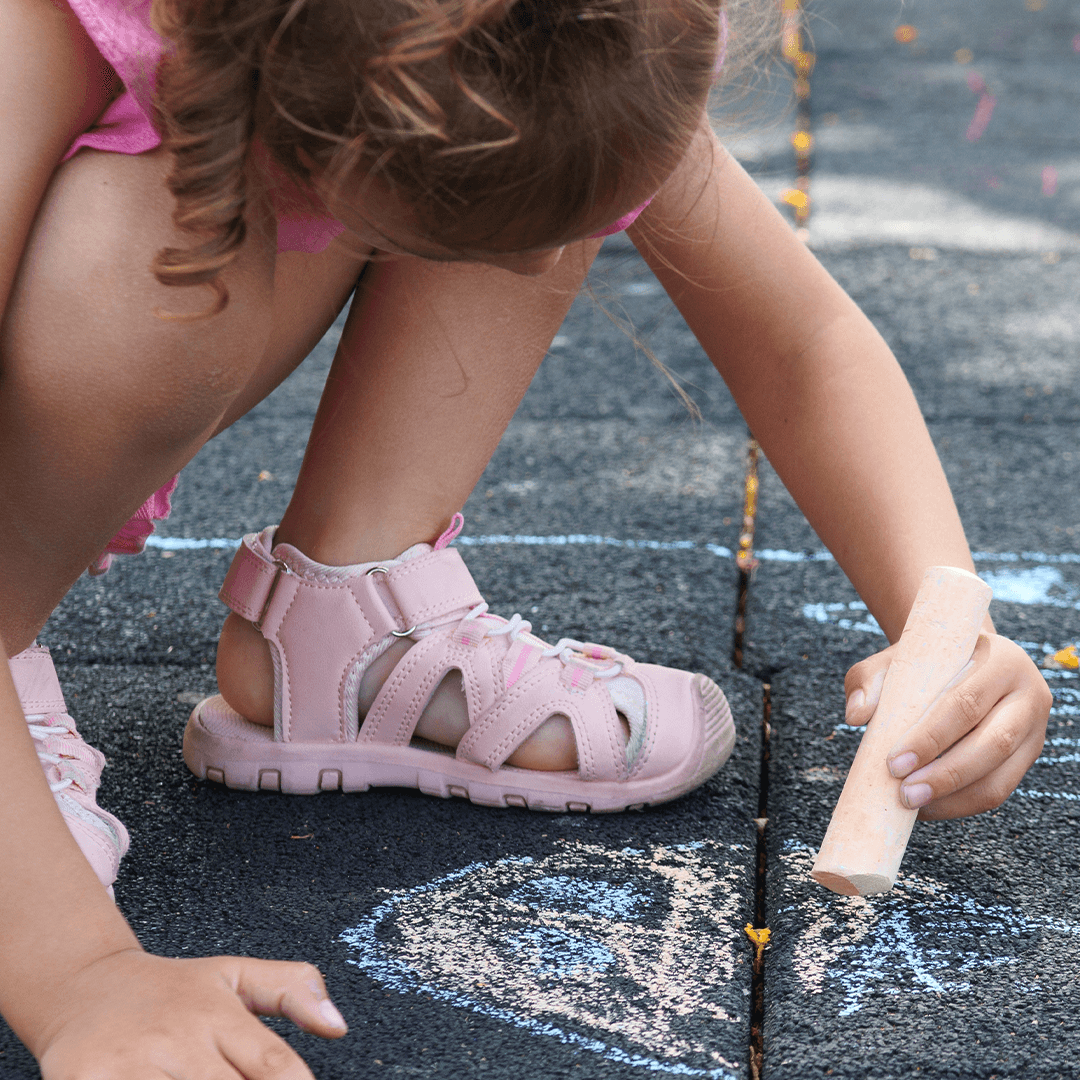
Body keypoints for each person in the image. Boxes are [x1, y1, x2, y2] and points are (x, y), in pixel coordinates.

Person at [0, 0, 1051, 1074]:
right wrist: (78, 978)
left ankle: (349, 619)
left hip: (340, 102)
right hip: (113, 272)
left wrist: (943, 627)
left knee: (549, 160)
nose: (528, 277)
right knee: (153, 260)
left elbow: (805, 342)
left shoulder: (565, 26)